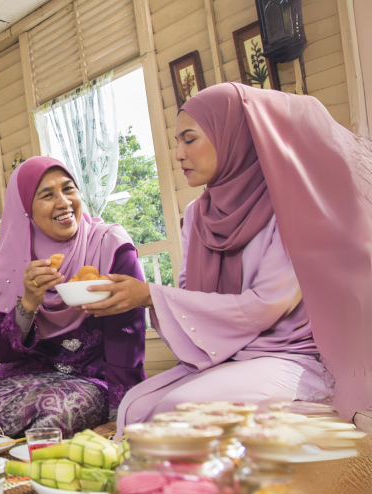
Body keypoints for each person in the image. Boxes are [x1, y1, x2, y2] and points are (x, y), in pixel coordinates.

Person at [75, 83, 372, 433]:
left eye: (190, 139)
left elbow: (267, 304)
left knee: (176, 410)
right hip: (232, 355)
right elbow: (192, 295)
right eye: (176, 143)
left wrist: (149, 295)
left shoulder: (291, 205)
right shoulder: (198, 215)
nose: (179, 155)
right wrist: (144, 298)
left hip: (292, 357)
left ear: (234, 137)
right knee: (134, 406)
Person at [0, 157, 147, 438]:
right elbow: (0, 352)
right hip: (32, 374)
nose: (63, 202)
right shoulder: (15, 262)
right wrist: (28, 302)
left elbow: (127, 335)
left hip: (95, 377)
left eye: (68, 189)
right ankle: (16, 439)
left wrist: (120, 412)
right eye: (47, 195)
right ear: (26, 210)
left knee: (56, 413)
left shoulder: (111, 246)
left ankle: (13, 439)